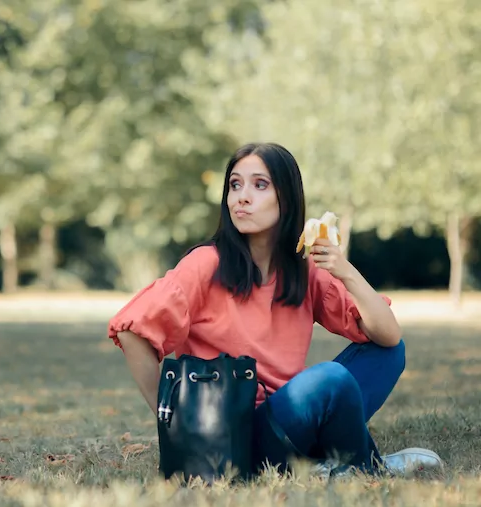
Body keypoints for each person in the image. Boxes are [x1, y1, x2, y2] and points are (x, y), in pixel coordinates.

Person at [107, 142, 443, 480]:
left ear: (287, 197)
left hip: (287, 418)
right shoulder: (207, 263)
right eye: (235, 185)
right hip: (231, 436)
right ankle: (366, 468)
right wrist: (174, 426)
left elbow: (388, 335)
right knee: (330, 380)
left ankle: (326, 463)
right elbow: (132, 328)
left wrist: (344, 270)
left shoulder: (303, 268)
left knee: (389, 353)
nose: (242, 196)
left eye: (259, 185)